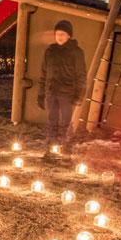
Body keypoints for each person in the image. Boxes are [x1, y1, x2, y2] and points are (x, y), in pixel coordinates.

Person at [37, 20, 87, 155]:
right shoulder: (50, 51)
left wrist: (78, 95)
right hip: (51, 92)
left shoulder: (76, 52)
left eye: (63, 34)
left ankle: (66, 147)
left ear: (69, 36)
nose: (59, 37)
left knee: (66, 122)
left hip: (67, 93)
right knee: (51, 121)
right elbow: (43, 74)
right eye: (57, 34)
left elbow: (81, 76)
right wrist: (41, 94)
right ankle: (51, 147)